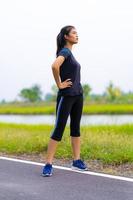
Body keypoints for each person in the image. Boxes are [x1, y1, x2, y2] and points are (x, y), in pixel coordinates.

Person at [41, 25, 88, 177]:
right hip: (67, 95)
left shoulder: (70, 54)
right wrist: (59, 84)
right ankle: (48, 164)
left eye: (77, 33)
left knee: (75, 128)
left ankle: (76, 161)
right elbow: (55, 66)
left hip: (78, 95)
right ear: (66, 37)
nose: (77, 35)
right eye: (74, 33)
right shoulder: (65, 51)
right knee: (59, 129)